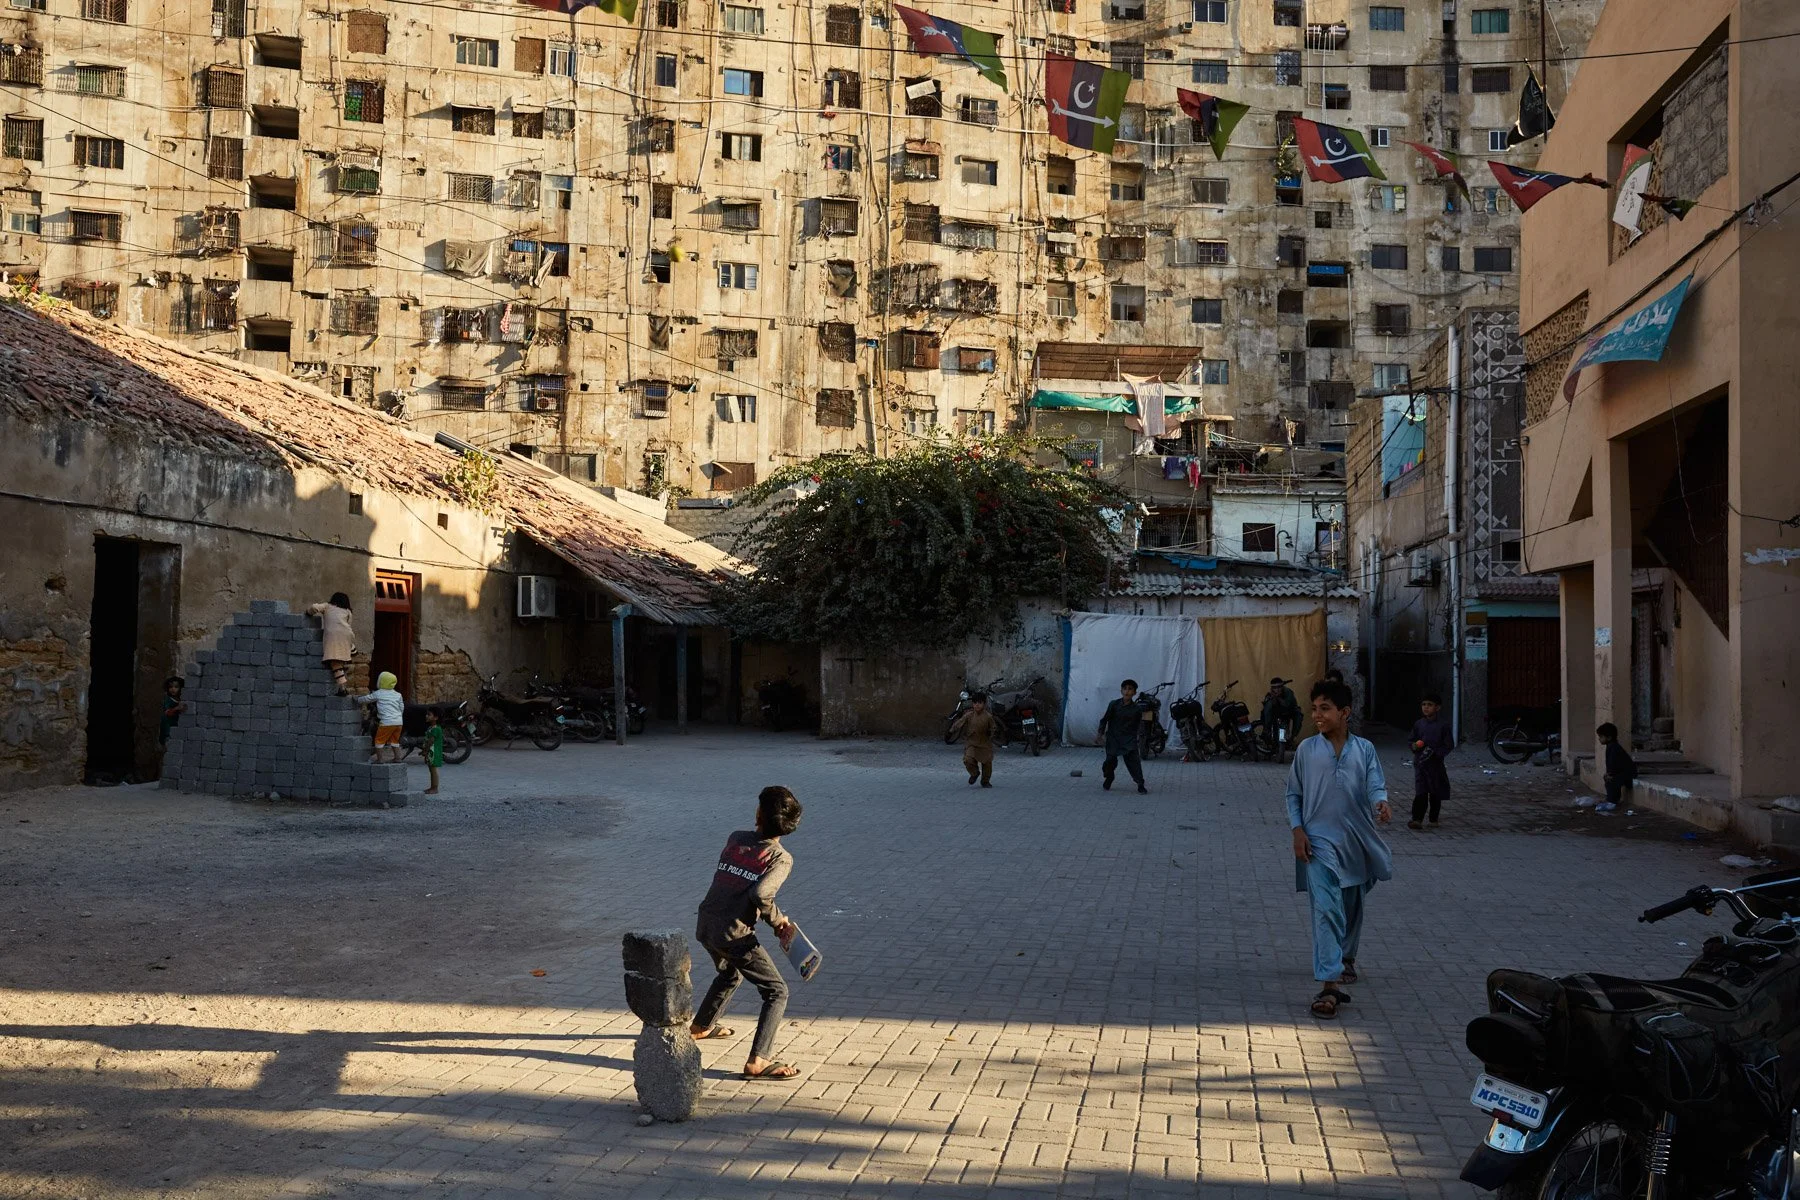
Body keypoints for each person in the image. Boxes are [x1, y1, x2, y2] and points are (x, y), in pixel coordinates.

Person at [1286, 678, 1392, 1019]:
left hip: (1357, 839)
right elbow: (1293, 794)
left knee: (1351, 903)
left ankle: (1345, 958)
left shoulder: (1364, 749)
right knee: (1327, 908)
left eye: (1325, 709)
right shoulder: (1306, 750)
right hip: (1318, 842)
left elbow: (1375, 781)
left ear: (1344, 712)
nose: (1317, 715)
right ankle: (1330, 985)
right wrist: (1297, 830)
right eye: (1314, 709)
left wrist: (1381, 802)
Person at [691, 786, 804, 1081]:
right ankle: (758, 1061)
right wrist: (778, 921)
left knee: (729, 973)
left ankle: (701, 1026)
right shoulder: (780, 858)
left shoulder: (736, 838)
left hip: (706, 923)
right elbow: (760, 892)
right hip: (733, 934)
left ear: (759, 815)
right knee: (776, 991)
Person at [1408, 693, 1454, 830]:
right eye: (1424, 704)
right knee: (1420, 791)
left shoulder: (1443, 726)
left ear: (1437, 707)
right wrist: (1415, 746)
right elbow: (1411, 740)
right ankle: (1417, 819)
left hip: (1435, 765)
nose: (1426, 708)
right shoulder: (1419, 724)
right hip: (1420, 764)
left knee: (1435, 792)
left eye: (1430, 705)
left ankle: (1433, 819)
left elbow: (1448, 745)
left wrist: (1437, 753)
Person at [1096, 679, 1150, 794]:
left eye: (1130, 689)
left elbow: (1140, 725)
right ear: (1121, 690)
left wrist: (1141, 738)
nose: (1127, 691)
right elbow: (1104, 720)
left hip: (1128, 739)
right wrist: (1100, 734)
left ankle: (1140, 784)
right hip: (1113, 738)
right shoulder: (1114, 704)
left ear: (1134, 693)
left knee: (1134, 763)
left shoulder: (1136, 709)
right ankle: (1109, 777)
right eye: (1125, 688)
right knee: (1109, 762)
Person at [950, 693, 1005, 787]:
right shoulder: (969, 715)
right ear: (972, 704)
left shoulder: (988, 717)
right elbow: (960, 722)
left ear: (984, 704)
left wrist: (992, 733)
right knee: (968, 759)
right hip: (971, 742)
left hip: (984, 743)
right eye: (975, 703)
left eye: (980, 703)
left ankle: (985, 781)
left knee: (987, 762)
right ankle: (975, 773)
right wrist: (952, 729)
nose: (977, 705)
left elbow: (994, 728)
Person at [306, 593, 356, 695]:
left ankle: (342, 687)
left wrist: (308, 613)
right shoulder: (347, 611)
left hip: (333, 637)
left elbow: (314, 607)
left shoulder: (327, 606)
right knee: (341, 658)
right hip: (347, 635)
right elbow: (349, 625)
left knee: (334, 662)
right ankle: (343, 681)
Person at [356, 671, 405, 763]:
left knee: (379, 741)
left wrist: (357, 699)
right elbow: (401, 707)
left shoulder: (379, 693)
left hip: (386, 722)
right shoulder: (398, 695)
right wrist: (398, 716)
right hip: (398, 722)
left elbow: (367, 699)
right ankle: (398, 758)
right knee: (395, 741)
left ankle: (380, 759)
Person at [1598, 723, 1636, 810]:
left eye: (1601, 736)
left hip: (1628, 774)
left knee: (1611, 780)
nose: (1599, 739)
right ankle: (1612, 799)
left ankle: (1612, 801)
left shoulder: (1614, 748)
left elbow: (1613, 763)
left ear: (1609, 737)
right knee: (1609, 779)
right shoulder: (1611, 746)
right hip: (1622, 772)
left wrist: (1610, 774)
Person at [1262, 677, 1302, 745]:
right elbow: (1267, 709)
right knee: (1267, 709)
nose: (1277, 690)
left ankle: (1292, 737)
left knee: (1298, 716)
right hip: (1278, 713)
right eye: (1274, 688)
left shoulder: (1288, 692)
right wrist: (1272, 699)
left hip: (1290, 710)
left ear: (1282, 687)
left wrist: (1278, 698)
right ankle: (1267, 731)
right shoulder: (1270, 694)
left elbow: (1287, 705)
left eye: (1279, 687)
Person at [159, 676, 187, 745]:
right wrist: (176, 708)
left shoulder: (181, 699)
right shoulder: (168, 699)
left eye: (176, 687)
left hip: (176, 725)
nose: (173, 689)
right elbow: (167, 713)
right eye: (170, 687)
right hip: (168, 725)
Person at [423, 708, 444, 795]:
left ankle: (435, 788)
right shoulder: (432, 728)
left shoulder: (435, 729)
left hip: (433, 752)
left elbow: (431, 741)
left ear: (435, 717)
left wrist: (425, 751)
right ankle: (432, 787)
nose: (426, 716)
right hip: (431, 752)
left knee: (433, 770)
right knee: (431, 770)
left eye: (429, 714)